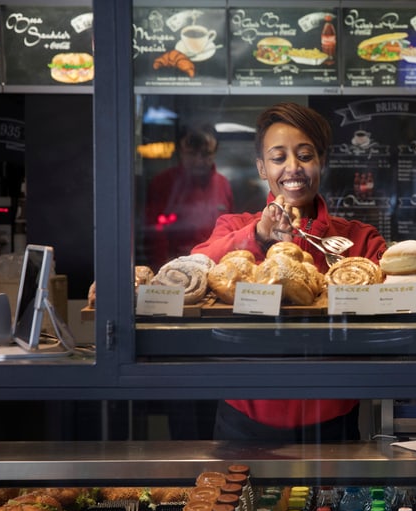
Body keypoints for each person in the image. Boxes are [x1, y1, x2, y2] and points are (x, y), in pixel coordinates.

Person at [192, 102, 387, 442]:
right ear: (262, 168)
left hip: (333, 423)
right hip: (243, 422)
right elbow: (196, 265)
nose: (293, 168)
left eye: (306, 155)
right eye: (279, 157)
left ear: (321, 161)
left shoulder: (359, 239)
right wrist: (258, 237)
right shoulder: (235, 228)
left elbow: (398, 302)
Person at [143, 124, 234, 269]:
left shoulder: (223, 184)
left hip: (214, 268)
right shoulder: (162, 183)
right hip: (172, 269)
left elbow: (229, 232)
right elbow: (155, 237)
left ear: (214, 153)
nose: (199, 161)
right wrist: (163, 271)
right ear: (180, 152)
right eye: (192, 153)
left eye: (206, 154)